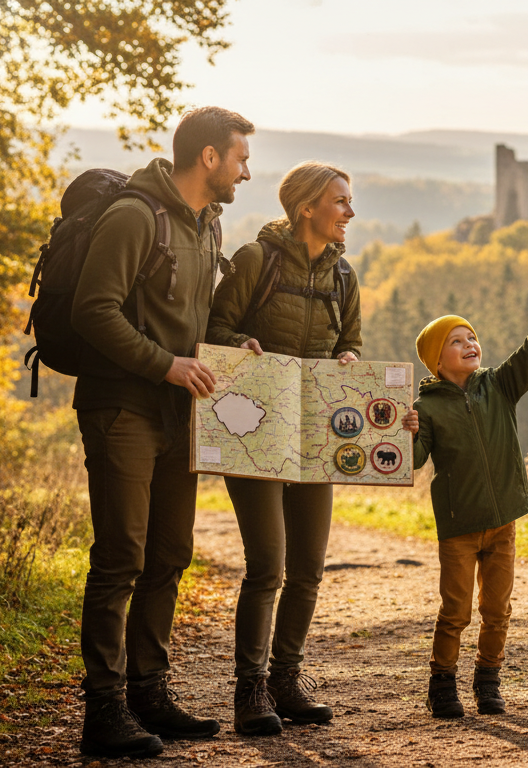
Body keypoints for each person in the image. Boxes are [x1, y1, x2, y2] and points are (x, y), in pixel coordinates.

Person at [71, 106, 254, 758]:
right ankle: (104, 710)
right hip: (122, 408)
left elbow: (193, 322)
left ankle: (149, 692)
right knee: (121, 555)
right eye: (240, 158)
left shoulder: (209, 224)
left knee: (170, 554)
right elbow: (92, 310)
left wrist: (232, 347)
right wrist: (165, 365)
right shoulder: (134, 216)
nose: (246, 172)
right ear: (208, 157)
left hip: (182, 414)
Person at [204, 161, 362, 736]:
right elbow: (212, 332)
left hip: (315, 436)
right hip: (255, 431)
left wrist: (348, 360)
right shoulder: (256, 260)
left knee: (309, 569)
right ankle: (249, 690)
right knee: (267, 565)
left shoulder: (344, 275)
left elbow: (350, 342)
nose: (349, 212)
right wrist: (240, 343)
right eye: (340, 201)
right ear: (306, 208)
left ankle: (286, 681)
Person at [399, 276, 528, 718]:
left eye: (472, 337)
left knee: (497, 610)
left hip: (503, 522)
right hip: (459, 527)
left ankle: (488, 681)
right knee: (455, 612)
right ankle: (442, 683)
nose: (470, 344)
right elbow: (415, 460)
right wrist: (406, 433)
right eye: (456, 341)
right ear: (436, 360)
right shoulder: (426, 408)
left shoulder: (499, 385)